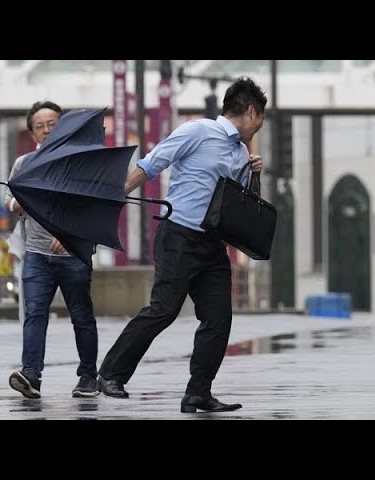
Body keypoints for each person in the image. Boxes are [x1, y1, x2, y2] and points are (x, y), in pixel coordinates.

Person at [96, 76, 267, 413]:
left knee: (218, 319)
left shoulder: (241, 152)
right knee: (164, 309)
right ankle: (111, 373)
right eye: (261, 117)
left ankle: (197, 393)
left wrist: (254, 173)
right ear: (250, 111)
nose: (260, 125)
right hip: (180, 236)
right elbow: (153, 162)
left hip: (213, 245)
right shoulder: (197, 131)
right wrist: (116, 195)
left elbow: (243, 206)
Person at [5, 100, 99, 399]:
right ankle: (31, 374)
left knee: (82, 316)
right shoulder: (24, 164)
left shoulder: (81, 162)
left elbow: (95, 206)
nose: (46, 130)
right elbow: (9, 203)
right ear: (32, 133)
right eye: (40, 126)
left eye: (52, 124)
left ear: (63, 126)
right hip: (36, 254)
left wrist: (73, 235)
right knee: (34, 314)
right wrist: (19, 200)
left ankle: (87, 377)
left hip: (73, 255)